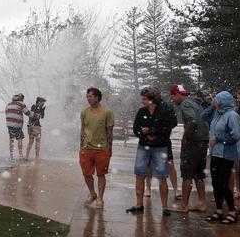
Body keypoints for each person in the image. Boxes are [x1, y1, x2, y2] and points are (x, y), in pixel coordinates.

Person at [126, 87, 177, 217]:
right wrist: (144, 135)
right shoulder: (142, 111)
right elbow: (136, 128)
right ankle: (139, 204)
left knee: (162, 177)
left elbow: (167, 127)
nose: (142, 101)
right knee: (139, 174)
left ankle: (165, 207)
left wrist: (151, 131)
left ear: (151, 99)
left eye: (144, 99)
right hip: (143, 146)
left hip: (160, 146)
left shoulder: (164, 110)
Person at [202, 91, 240, 224]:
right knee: (216, 183)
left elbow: (235, 136)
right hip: (215, 153)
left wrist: (218, 138)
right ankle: (219, 210)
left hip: (227, 155)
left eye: (217, 100)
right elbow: (203, 116)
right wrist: (212, 106)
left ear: (223, 102)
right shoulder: (217, 114)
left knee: (224, 184)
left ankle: (232, 211)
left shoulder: (232, 115)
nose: (215, 102)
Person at [169, 85, 210, 213]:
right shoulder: (195, 103)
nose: (172, 100)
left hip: (193, 143)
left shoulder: (185, 104)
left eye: (172, 96)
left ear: (177, 94)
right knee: (199, 174)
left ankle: (184, 205)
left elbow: (192, 121)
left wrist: (185, 137)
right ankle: (201, 203)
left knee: (187, 174)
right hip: (203, 141)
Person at [80, 87, 114, 209]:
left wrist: (109, 148)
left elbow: (110, 132)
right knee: (86, 173)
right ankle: (92, 193)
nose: (88, 98)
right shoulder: (84, 112)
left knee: (101, 174)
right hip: (86, 148)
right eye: (87, 96)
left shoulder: (107, 112)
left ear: (97, 97)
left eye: (90, 96)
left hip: (102, 149)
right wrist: (81, 147)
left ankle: (100, 197)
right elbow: (82, 130)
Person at [5, 93, 30, 160]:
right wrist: (36, 115)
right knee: (20, 139)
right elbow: (27, 113)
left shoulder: (9, 104)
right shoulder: (21, 104)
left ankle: (11, 155)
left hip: (9, 124)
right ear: (21, 98)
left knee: (11, 139)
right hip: (17, 125)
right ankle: (20, 155)